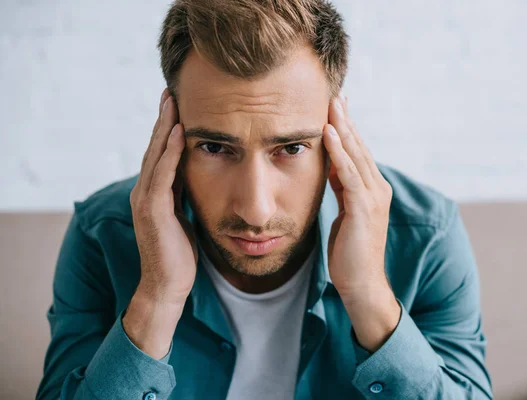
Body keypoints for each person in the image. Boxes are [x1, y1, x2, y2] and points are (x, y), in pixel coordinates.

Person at [36, 1, 493, 399]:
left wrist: (369, 297)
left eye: (291, 148)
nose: (256, 210)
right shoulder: (103, 234)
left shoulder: (426, 237)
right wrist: (156, 300)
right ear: (170, 130)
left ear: (335, 132)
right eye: (215, 147)